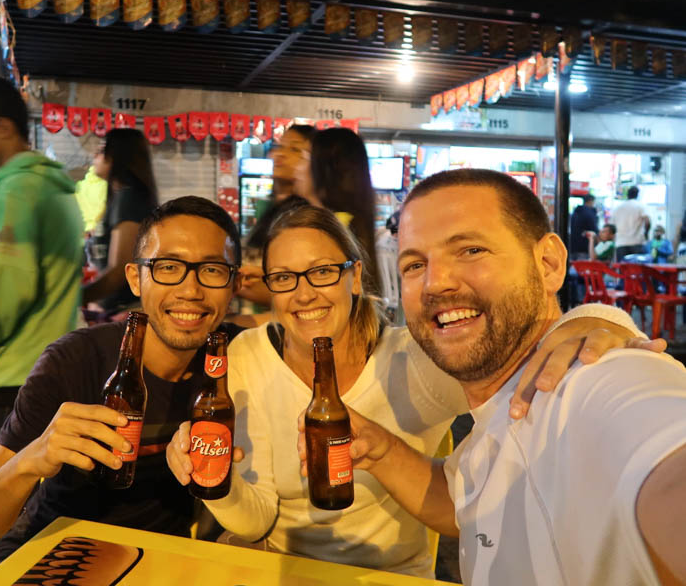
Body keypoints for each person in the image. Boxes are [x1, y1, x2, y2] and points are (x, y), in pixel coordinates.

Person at [167, 205, 649, 577]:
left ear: (355, 276)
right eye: (284, 278)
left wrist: (596, 319)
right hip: (284, 571)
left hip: (391, 577)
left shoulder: (414, 358)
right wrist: (214, 481)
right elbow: (255, 519)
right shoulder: (250, 354)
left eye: (322, 272)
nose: (304, 293)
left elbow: (530, 360)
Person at [318, 168, 684, 585]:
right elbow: (467, 502)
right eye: (416, 264)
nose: (436, 283)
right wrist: (381, 451)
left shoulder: (601, 379)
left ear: (548, 263)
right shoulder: (494, 420)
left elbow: (664, 458)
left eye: (471, 250)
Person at [0, 197, 244, 582]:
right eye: (168, 267)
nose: (190, 290)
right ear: (134, 277)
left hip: (160, 561)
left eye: (211, 269)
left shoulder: (238, 358)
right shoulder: (76, 361)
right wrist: (33, 458)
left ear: (235, 284)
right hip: (54, 550)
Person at [0, 76, 84, 467]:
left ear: (3, 127)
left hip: (10, 377)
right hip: (37, 371)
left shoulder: (21, 189)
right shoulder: (50, 186)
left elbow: (6, 288)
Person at [238, 124, 316, 309]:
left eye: (295, 149)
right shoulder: (270, 208)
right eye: (280, 146)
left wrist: (230, 282)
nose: (280, 154)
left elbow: (297, 293)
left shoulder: (304, 217)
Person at [83, 128, 158, 316]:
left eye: (102, 149)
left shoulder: (129, 198)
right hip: (117, 310)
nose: (95, 155)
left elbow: (120, 270)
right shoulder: (123, 197)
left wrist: (76, 298)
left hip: (125, 313)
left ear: (116, 155)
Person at [303, 127, 382, 296]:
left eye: (305, 158)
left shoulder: (337, 226)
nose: (297, 167)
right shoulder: (347, 220)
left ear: (324, 170)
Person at [612, 186, 650, 259]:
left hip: (620, 243)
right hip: (637, 242)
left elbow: (612, 226)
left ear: (627, 194)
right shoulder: (640, 206)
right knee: (638, 269)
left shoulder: (618, 208)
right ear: (637, 195)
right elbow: (647, 221)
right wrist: (646, 234)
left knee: (623, 269)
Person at [569, 193, 599, 261]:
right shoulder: (589, 213)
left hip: (573, 246)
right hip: (585, 247)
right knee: (584, 268)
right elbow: (594, 229)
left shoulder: (576, 212)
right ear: (591, 201)